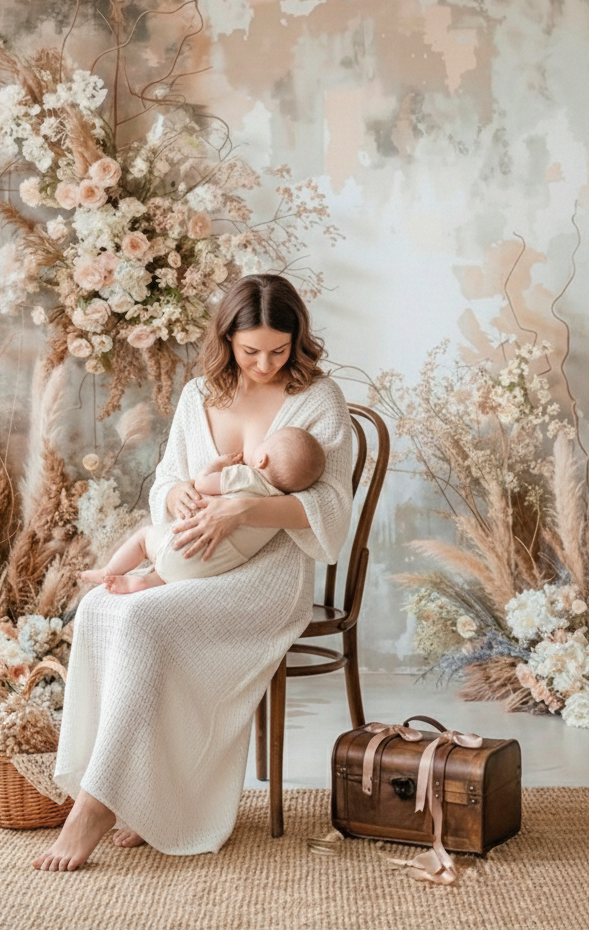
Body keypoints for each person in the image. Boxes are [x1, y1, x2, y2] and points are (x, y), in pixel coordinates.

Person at [32, 273, 354, 872]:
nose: (264, 363)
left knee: (148, 618)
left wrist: (247, 508)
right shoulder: (199, 394)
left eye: (278, 350)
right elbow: (165, 484)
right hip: (194, 559)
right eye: (250, 349)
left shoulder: (319, 399)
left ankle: (96, 806)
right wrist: (180, 493)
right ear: (227, 337)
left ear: (297, 339)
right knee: (101, 606)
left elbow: (332, 507)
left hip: (268, 574)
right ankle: (134, 794)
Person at [78, 427, 326, 593]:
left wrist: (217, 465)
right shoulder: (276, 511)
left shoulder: (246, 476)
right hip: (207, 569)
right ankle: (143, 583)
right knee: (168, 572)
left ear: (262, 459)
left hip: (181, 543)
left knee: (143, 539)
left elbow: (203, 483)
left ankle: (108, 571)